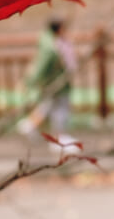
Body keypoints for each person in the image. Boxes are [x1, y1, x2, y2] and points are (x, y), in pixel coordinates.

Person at [19, 19, 78, 147]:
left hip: (55, 83)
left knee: (47, 107)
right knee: (58, 109)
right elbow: (42, 67)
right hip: (55, 84)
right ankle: (57, 137)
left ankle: (29, 126)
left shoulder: (54, 44)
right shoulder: (52, 47)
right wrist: (31, 82)